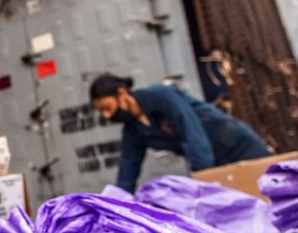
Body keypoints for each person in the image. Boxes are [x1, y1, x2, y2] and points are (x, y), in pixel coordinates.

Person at [89, 74, 272, 192]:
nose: (107, 115)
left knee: (267, 193)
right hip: (213, 161)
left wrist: (205, 179)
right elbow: (127, 171)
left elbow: (193, 135)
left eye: (107, 107)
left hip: (237, 145)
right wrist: (116, 207)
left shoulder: (160, 96)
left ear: (122, 93)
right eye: (102, 112)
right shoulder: (133, 131)